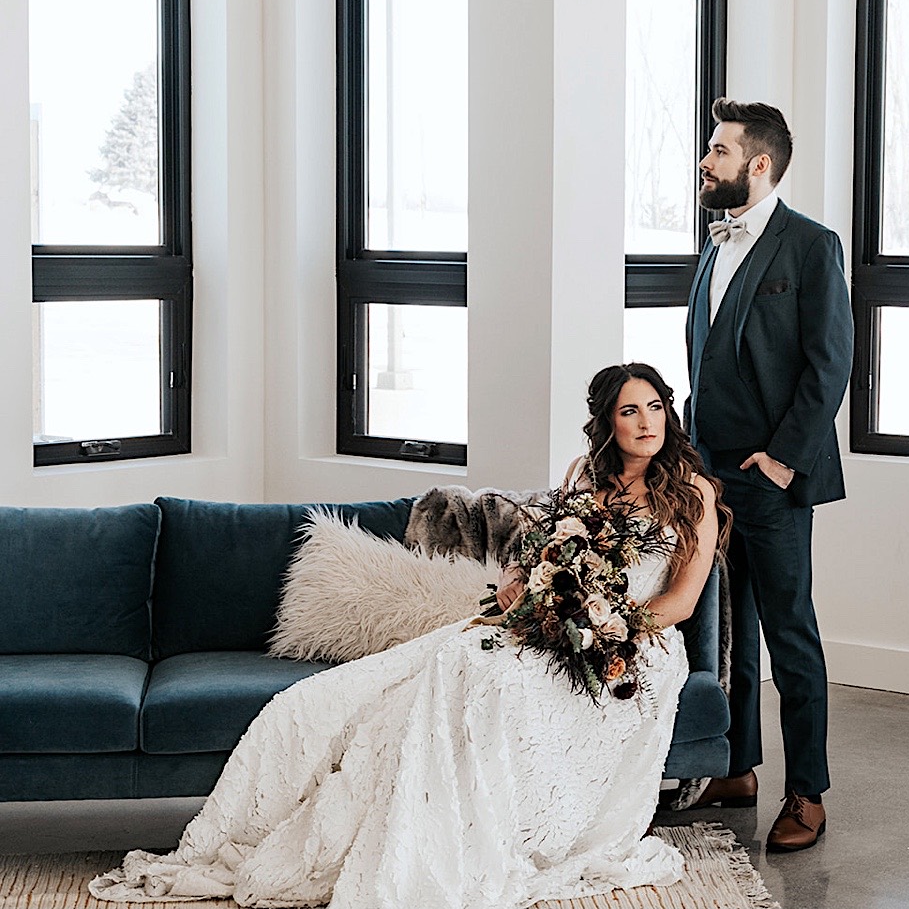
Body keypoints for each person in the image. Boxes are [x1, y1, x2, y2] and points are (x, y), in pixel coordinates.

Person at [91, 363, 728, 909]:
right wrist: (526, 585)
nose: (647, 422)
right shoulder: (582, 476)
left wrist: (605, 622)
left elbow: (680, 600)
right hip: (548, 626)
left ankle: (452, 834)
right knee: (375, 684)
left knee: (491, 684)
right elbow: (542, 553)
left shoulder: (692, 492)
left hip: (632, 648)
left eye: (656, 407)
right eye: (629, 411)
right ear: (606, 423)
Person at [681, 98, 854, 852]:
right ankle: (738, 767)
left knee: (789, 632)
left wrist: (783, 459)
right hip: (709, 476)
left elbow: (830, 363)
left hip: (773, 477)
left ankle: (807, 791)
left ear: (759, 164)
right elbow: (705, 360)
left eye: (718, 151)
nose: (705, 161)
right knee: (729, 633)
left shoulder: (812, 247)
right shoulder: (714, 244)